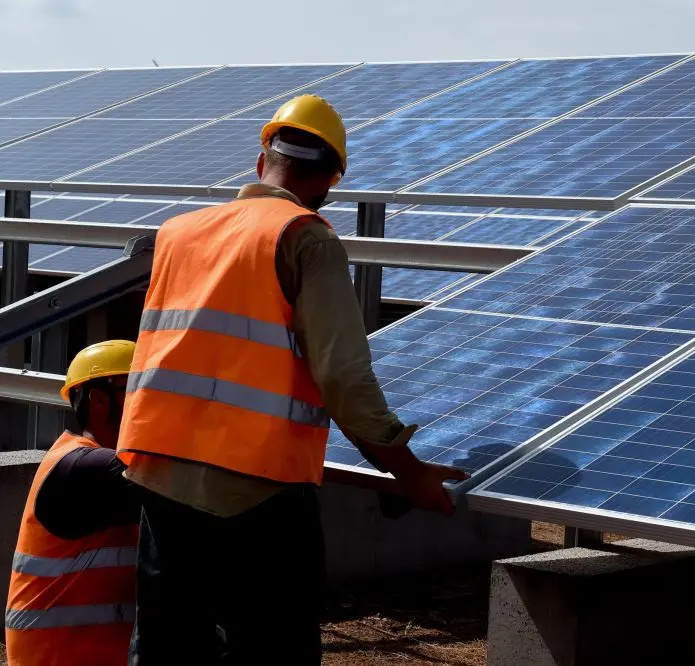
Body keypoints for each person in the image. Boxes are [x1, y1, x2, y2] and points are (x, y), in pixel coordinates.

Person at [116, 93, 469, 665]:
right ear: (329, 180)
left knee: (168, 650)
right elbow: (343, 377)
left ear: (262, 161)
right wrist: (408, 472)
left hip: (162, 478)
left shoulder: (177, 232)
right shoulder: (307, 238)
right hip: (259, 493)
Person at [5, 340, 143, 666]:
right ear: (99, 400)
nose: (149, 401)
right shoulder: (83, 468)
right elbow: (181, 484)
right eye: (136, 390)